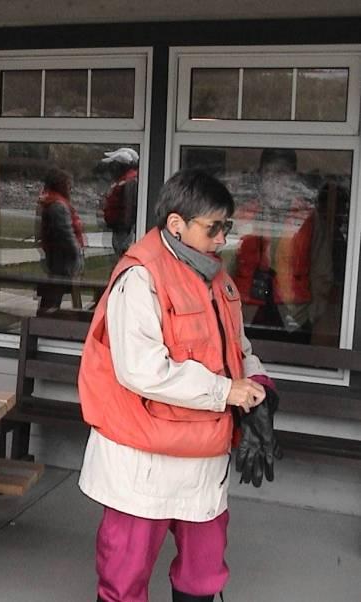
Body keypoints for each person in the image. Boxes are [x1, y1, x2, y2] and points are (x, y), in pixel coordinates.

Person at [78, 170, 280, 602]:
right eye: (214, 228)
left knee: (203, 574)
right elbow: (142, 369)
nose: (223, 238)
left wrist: (259, 388)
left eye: (227, 226)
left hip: (204, 459)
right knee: (124, 576)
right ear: (176, 225)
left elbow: (237, 350)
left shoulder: (216, 278)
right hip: (143, 461)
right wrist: (227, 392)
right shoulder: (139, 278)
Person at [231, 148, 332, 344]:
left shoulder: (308, 216)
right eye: (271, 172)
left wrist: (310, 314)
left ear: (293, 176)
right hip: (244, 312)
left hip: (294, 314)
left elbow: (322, 270)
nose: (277, 179)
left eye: (284, 172)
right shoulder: (242, 213)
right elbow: (225, 264)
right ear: (261, 175)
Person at [35, 167, 85, 314]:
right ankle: (45, 324)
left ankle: (44, 320)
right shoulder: (58, 206)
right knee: (54, 294)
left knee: (53, 293)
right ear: (61, 184)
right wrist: (77, 253)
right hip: (62, 259)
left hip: (55, 256)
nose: (71, 188)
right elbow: (66, 234)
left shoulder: (49, 201)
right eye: (68, 184)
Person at [101, 147, 140, 257]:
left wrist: (126, 230)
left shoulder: (129, 182)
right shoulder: (124, 180)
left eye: (114, 165)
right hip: (120, 229)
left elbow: (129, 208)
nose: (111, 169)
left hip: (123, 231)